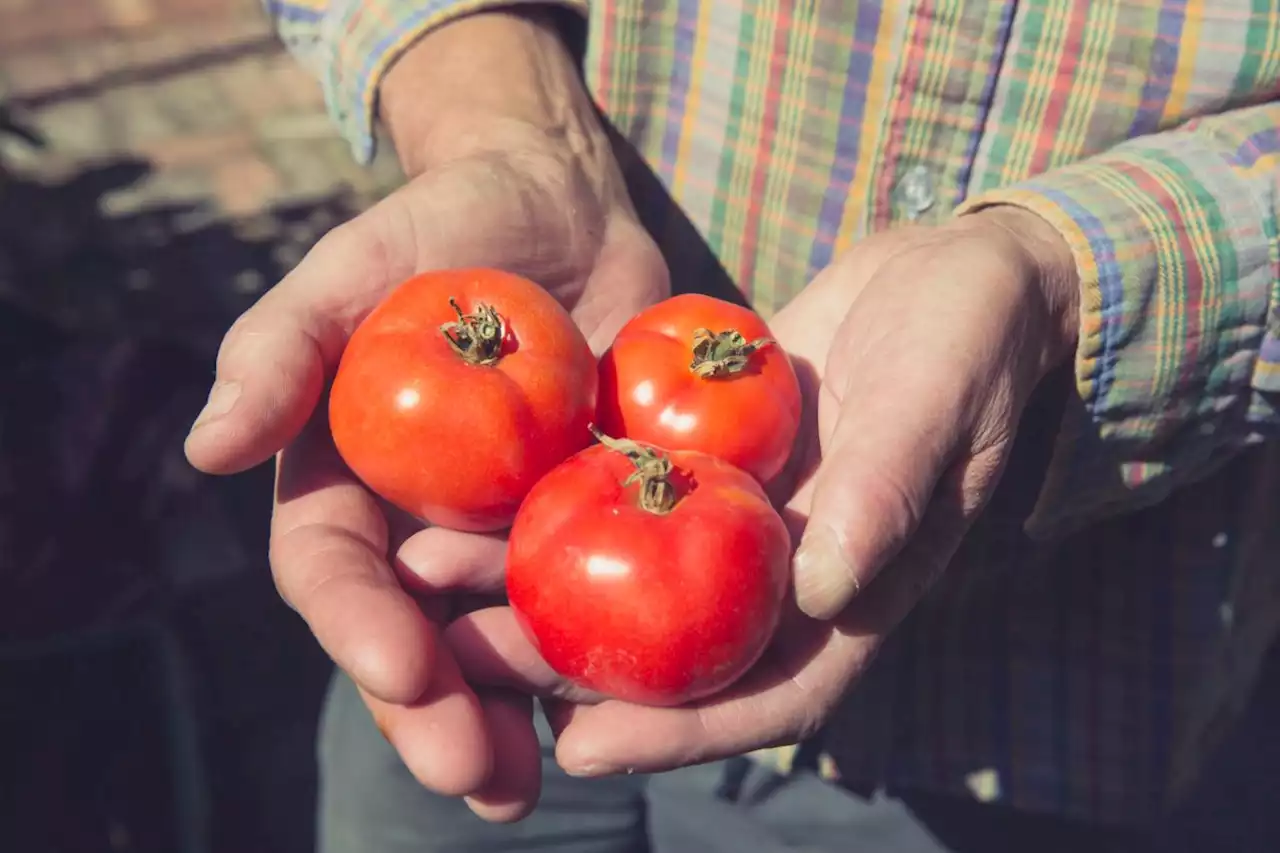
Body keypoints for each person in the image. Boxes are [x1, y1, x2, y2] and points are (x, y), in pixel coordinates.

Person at [185, 2, 1280, 851]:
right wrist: (499, 116)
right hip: (471, 624)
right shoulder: (582, 405)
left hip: (1030, 703)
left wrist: (1061, 276)